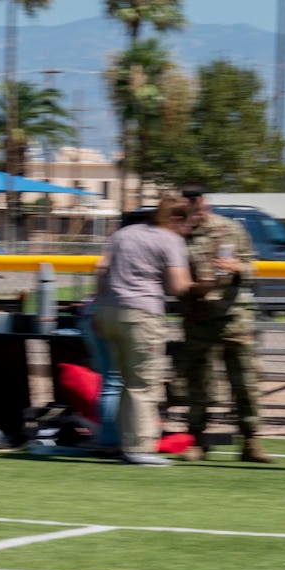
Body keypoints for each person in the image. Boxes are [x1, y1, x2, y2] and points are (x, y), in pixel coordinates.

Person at [92, 196, 193, 467]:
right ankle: (138, 448)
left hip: (110, 312)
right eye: (187, 224)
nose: (188, 231)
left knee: (124, 382)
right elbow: (177, 286)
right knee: (143, 384)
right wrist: (203, 283)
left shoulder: (123, 233)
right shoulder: (171, 239)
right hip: (142, 316)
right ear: (175, 219)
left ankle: (125, 442)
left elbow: (101, 270)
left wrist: (99, 309)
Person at [176, 183, 268, 463]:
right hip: (198, 317)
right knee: (198, 382)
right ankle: (197, 440)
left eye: (198, 201)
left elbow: (253, 266)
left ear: (206, 201)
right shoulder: (177, 234)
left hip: (235, 317)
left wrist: (239, 267)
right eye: (189, 203)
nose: (195, 207)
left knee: (245, 381)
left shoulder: (230, 229)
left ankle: (250, 441)